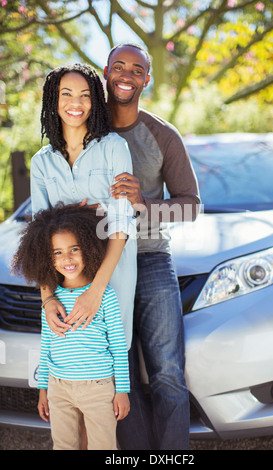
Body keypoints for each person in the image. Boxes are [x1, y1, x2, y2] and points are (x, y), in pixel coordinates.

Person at [104, 43, 200, 450]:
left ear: (147, 78)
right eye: (119, 66)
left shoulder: (162, 135)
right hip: (100, 268)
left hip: (151, 261)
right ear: (105, 72)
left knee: (167, 373)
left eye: (136, 69)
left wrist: (144, 204)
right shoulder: (85, 131)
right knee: (118, 374)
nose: (127, 75)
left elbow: (191, 208)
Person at [30, 63, 137, 349]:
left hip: (113, 273)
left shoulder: (114, 148)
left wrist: (96, 291)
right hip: (64, 278)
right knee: (72, 359)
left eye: (85, 95)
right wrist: (48, 298)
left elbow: (121, 221)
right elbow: (39, 235)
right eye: (66, 94)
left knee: (112, 355)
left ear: (95, 102)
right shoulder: (41, 162)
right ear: (54, 100)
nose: (75, 103)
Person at [11, 204, 130, 450]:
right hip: (59, 388)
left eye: (74, 249)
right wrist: (43, 389)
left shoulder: (104, 296)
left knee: (104, 447)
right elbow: (46, 347)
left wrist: (122, 391)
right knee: (63, 446)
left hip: (98, 388)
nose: (66, 259)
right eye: (57, 253)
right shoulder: (51, 302)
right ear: (47, 258)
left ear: (88, 248)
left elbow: (118, 347)